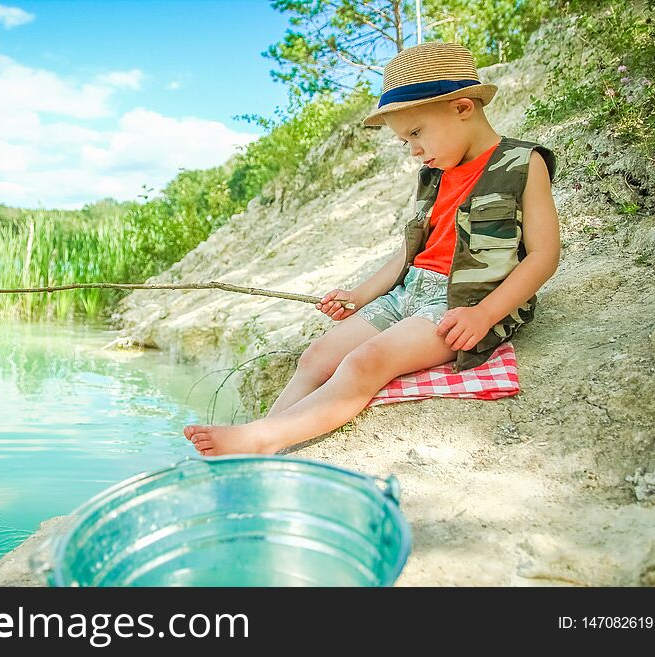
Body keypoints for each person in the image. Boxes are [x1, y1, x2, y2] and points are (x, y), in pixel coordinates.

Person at [184, 41, 560, 456]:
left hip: (464, 302)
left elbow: (544, 255)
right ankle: (265, 439)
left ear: (463, 107)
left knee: (365, 362)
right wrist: (360, 295)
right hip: (411, 292)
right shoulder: (434, 174)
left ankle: (260, 437)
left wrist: (484, 314)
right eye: (406, 141)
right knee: (317, 357)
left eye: (416, 133)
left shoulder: (522, 163)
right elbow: (411, 252)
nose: (415, 149)